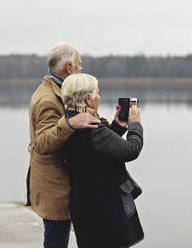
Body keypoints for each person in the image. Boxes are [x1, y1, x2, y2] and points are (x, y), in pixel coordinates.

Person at [27, 43, 101, 248]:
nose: (82, 69)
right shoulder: (47, 98)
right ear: (69, 67)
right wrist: (68, 123)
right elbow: (41, 142)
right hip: (54, 186)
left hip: (66, 183)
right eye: (79, 65)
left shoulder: (64, 90)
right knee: (56, 241)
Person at [59, 73, 144, 248]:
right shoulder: (93, 128)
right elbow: (131, 150)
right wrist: (135, 125)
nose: (99, 97)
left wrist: (117, 126)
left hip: (84, 206)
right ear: (88, 100)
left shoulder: (68, 123)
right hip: (105, 210)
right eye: (97, 93)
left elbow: (96, 151)